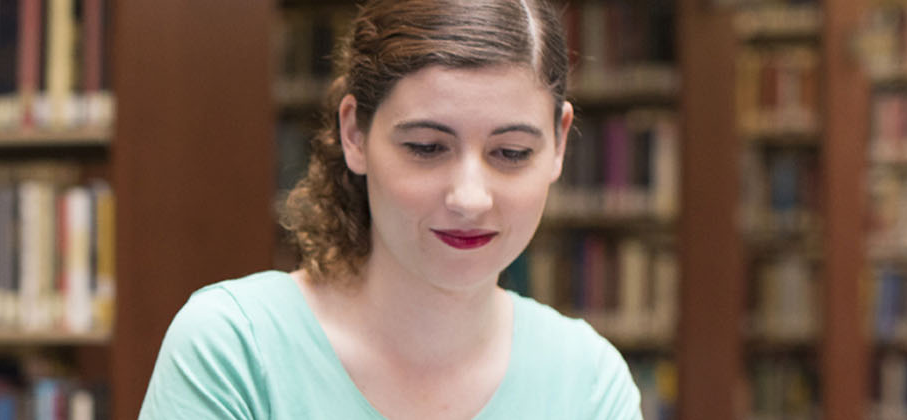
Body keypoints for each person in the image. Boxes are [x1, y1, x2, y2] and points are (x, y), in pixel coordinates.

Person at [138, 0, 641, 418]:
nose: (469, 197)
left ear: (558, 142)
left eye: (511, 153)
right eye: (426, 147)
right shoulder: (236, 350)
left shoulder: (589, 382)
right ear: (354, 132)